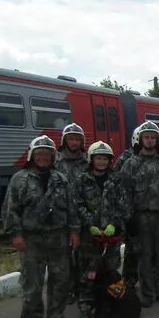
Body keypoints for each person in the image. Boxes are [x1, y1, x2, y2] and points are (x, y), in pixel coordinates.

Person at [2, 136, 80, 318]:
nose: (44, 157)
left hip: (59, 236)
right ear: (32, 156)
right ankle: (32, 317)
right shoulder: (20, 179)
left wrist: (74, 231)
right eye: (40, 154)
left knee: (60, 277)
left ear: (53, 157)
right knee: (33, 280)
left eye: (48, 154)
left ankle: (55, 313)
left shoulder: (60, 179)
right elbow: (10, 210)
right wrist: (15, 234)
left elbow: (72, 208)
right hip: (31, 239)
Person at [119, 121, 159, 307]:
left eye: (153, 137)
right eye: (146, 137)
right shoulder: (131, 164)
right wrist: (128, 218)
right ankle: (147, 294)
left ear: (157, 140)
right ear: (140, 140)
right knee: (144, 257)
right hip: (141, 216)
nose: (150, 140)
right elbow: (125, 192)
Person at [73, 141, 123, 318]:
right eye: (98, 158)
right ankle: (86, 304)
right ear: (91, 159)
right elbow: (77, 205)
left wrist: (113, 223)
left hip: (112, 236)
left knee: (111, 270)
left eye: (104, 159)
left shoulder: (116, 180)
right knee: (87, 272)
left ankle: (112, 303)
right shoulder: (81, 180)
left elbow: (123, 204)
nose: (101, 162)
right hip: (89, 237)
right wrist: (89, 225)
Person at [54, 123, 88, 306]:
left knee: (83, 257)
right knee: (64, 259)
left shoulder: (87, 162)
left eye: (77, 139)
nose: (74, 142)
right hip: (62, 219)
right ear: (64, 141)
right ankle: (68, 291)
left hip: (84, 217)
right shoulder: (55, 163)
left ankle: (82, 289)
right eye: (71, 139)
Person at [113, 126, 140, 286]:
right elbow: (118, 184)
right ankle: (129, 279)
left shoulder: (154, 157)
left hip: (147, 211)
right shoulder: (125, 158)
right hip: (130, 211)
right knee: (132, 248)